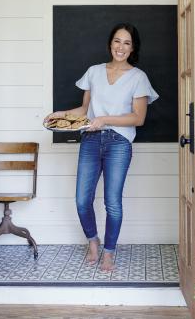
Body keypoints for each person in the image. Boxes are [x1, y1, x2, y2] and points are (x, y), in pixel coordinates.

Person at [47, 23, 159, 271]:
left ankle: (109, 251)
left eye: (127, 43)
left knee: (113, 203)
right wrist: (61, 113)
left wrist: (105, 120)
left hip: (118, 143)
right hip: (90, 140)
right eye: (117, 41)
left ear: (133, 48)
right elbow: (85, 111)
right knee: (81, 200)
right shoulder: (94, 72)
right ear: (110, 43)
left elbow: (138, 118)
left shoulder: (138, 77)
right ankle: (93, 241)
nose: (121, 47)